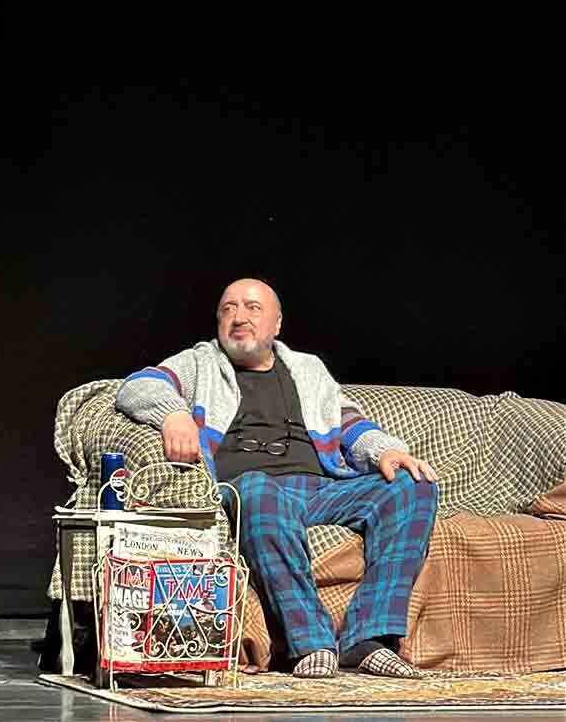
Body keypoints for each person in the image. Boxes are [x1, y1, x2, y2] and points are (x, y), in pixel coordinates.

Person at [115, 278, 438, 678]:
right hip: (247, 490)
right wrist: (173, 414)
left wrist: (384, 450)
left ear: (277, 323)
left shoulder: (308, 369)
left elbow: (346, 420)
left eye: (252, 308)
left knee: (413, 483)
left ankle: (368, 639)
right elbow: (137, 386)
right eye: (229, 308)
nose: (239, 317)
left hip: (319, 488)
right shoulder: (200, 362)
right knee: (259, 488)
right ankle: (311, 643)